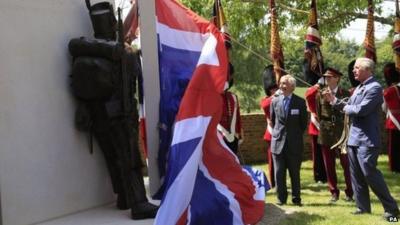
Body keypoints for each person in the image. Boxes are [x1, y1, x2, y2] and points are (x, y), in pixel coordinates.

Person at [324, 57, 399, 221]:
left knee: (370, 173)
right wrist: (333, 101)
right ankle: (362, 207)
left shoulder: (375, 88)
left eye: (357, 68)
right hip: (354, 138)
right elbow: (348, 105)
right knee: (356, 175)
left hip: (367, 139)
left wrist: (339, 103)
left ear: (367, 69)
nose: (353, 70)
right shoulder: (358, 88)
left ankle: (392, 209)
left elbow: (360, 110)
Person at [316, 68, 353, 203]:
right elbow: (319, 113)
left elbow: (348, 110)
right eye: (326, 77)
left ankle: (350, 192)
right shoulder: (320, 94)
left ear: (337, 78)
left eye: (330, 77)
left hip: (342, 131)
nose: (328, 80)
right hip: (326, 132)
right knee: (329, 164)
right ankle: (334, 192)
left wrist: (334, 99)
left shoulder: (346, 93)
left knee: (346, 163)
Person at [270, 74, 307, 206]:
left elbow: (303, 124)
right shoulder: (274, 101)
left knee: (294, 173)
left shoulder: (300, 102)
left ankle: (296, 198)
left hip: (294, 144)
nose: (281, 86)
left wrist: (294, 135)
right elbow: (273, 121)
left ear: (292, 86)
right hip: (278, 143)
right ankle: (281, 198)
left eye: (285, 83)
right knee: (279, 173)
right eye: (280, 83)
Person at [305, 79, 328, 184]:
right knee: (318, 154)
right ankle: (319, 176)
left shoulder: (325, 92)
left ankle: (326, 174)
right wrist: (316, 87)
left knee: (327, 154)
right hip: (316, 127)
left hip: (326, 126)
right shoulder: (312, 92)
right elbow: (308, 96)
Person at [218, 64, 243, 155]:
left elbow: (238, 118)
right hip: (218, 137)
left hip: (232, 137)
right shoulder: (213, 97)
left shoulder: (233, 97)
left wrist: (239, 133)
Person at [260, 65, 279, 188]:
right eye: (273, 88)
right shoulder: (267, 100)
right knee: (272, 160)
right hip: (272, 133)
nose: (275, 90)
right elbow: (266, 106)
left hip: (283, 132)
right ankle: (273, 181)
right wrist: (275, 95)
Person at [382, 63, 400, 173]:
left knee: (393, 146)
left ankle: (395, 167)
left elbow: (384, 107)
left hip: (393, 120)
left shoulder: (388, 91)